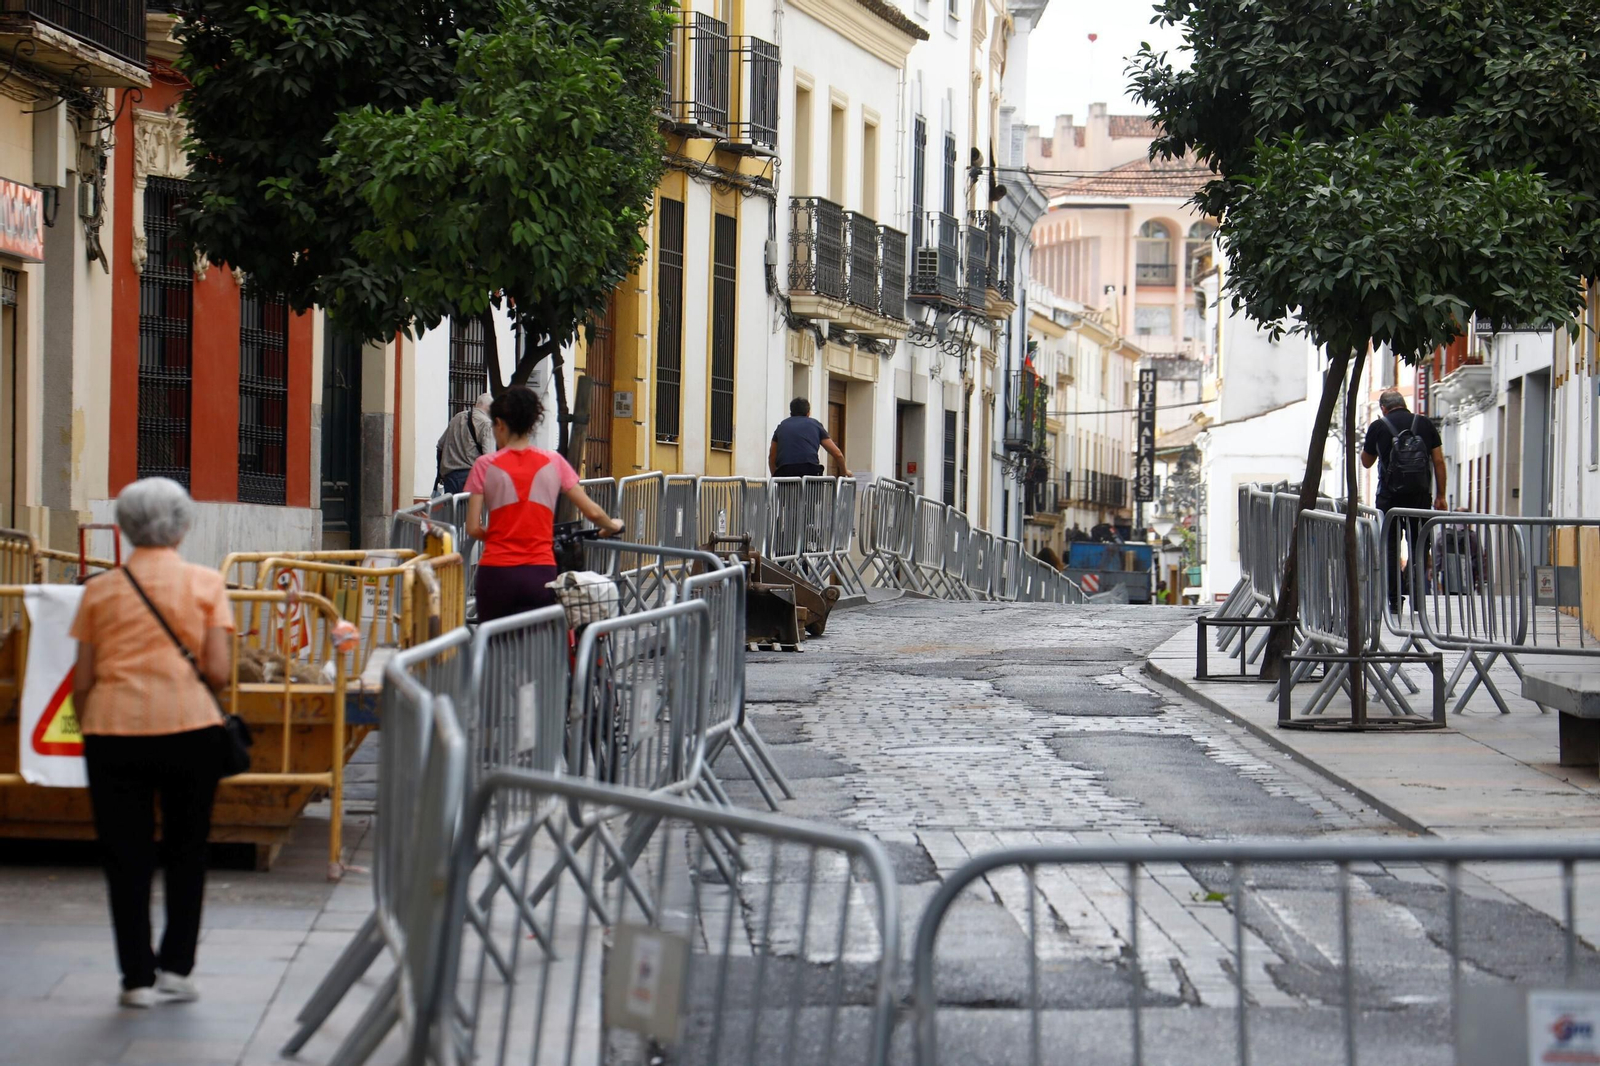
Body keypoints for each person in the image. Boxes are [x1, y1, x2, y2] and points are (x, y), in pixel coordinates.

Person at [71, 478, 234, 1008]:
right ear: (183, 526)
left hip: (112, 730)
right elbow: (218, 672)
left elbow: (83, 680)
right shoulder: (207, 585)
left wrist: (89, 723)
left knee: (125, 855)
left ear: (125, 526)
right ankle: (178, 969)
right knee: (188, 850)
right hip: (190, 729)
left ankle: (136, 978)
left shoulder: (98, 591)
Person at [464, 386, 623, 622]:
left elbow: (473, 528)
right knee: (537, 650)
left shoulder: (484, 465)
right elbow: (591, 511)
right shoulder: (554, 461)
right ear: (531, 423)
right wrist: (612, 525)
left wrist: (501, 535)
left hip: (496, 572)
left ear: (499, 423)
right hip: (540, 571)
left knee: (494, 648)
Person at [1361, 388, 1447, 613]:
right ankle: (1418, 597)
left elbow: (1366, 462)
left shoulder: (1379, 426)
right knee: (1419, 546)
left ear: (1383, 408)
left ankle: (1394, 600)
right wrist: (1440, 496)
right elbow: (1438, 461)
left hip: (1389, 500)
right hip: (1419, 498)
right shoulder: (1425, 424)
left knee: (1390, 548)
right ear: (1404, 404)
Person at [769, 397, 851, 478]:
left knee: (787, 490)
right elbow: (837, 454)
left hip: (785, 471)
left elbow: (772, 455)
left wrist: (775, 476)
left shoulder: (782, 426)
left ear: (791, 412)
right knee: (812, 490)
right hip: (810, 470)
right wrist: (844, 472)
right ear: (808, 413)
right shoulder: (815, 425)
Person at [436, 392, 496, 495]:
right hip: (471, 478)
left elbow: (440, 445)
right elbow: (488, 458)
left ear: (477, 404)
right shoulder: (487, 425)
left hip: (450, 477)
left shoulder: (458, 417)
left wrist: (440, 474)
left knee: (452, 510)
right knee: (469, 510)